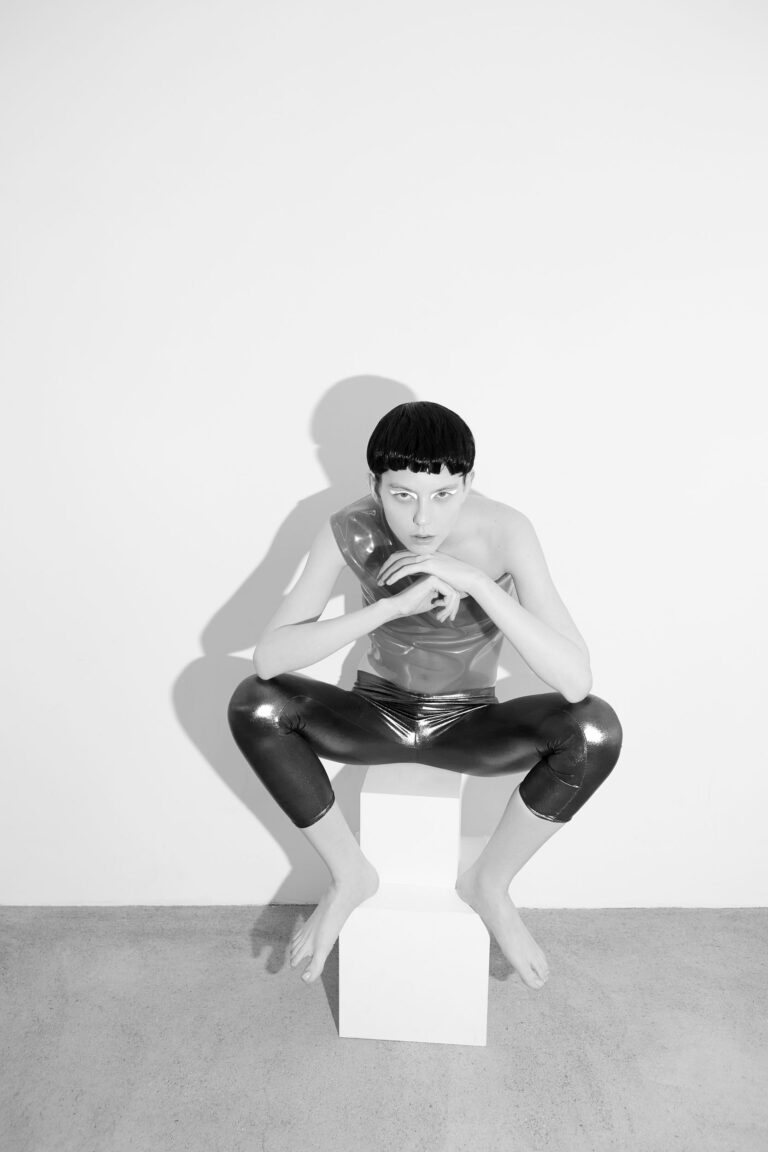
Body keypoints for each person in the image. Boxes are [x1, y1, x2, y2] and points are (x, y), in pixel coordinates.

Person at [228, 401, 623, 989]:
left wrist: (478, 583)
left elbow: (575, 680)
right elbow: (269, 659)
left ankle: (489, 884)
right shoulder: (349, 528)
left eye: (443, 495)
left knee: (594, 729)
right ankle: (349, 873)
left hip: (470, 724)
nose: (422, 517)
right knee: (254, 703)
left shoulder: (507, 531)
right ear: (374, 486)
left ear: (469, 482)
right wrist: (390, 607)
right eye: (401, 495)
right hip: (374, 714)